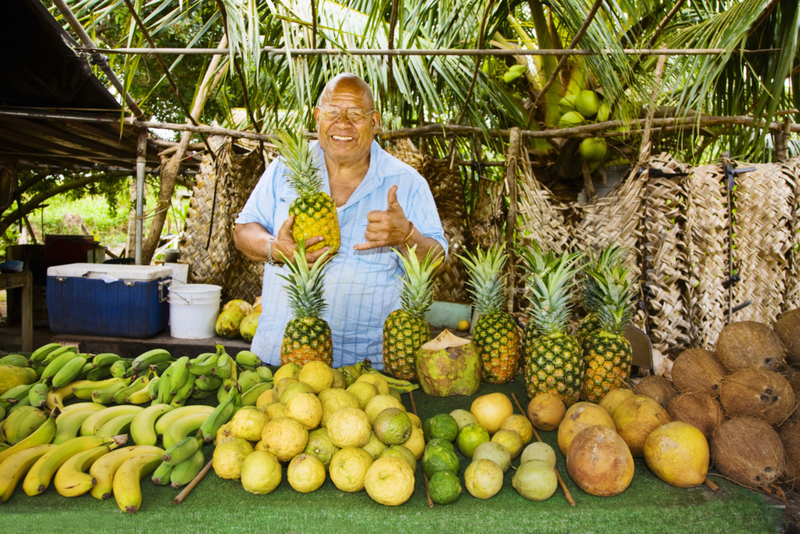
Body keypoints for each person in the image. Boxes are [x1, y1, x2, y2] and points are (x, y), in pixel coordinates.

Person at [234, 73, 447, 368]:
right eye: (333, 112)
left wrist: (407, 235)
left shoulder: (407, 183)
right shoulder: (284, 170)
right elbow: (244, 230)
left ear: (375, 122)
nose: (343, 124)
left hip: (367, 365)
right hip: (282, 354)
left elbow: (438, 260)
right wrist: (275, 247)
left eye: (356, 114)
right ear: (318, 117)